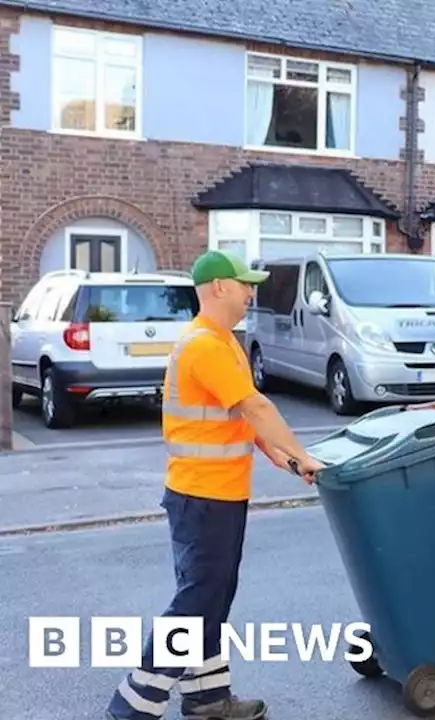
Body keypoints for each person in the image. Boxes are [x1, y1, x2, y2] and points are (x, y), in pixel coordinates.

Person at [106, 250, 326, 720]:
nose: (252, 293)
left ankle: (207, 699)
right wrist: (305, 453)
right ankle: (132, 706)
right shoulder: (203, 345)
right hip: (201, 498)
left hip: (217, 496)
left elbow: (242, 424)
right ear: (219, 288)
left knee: (212, 599)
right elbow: (257, 409)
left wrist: (288, 460)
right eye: (245, 284)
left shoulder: (224, 343)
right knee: (197, 602)